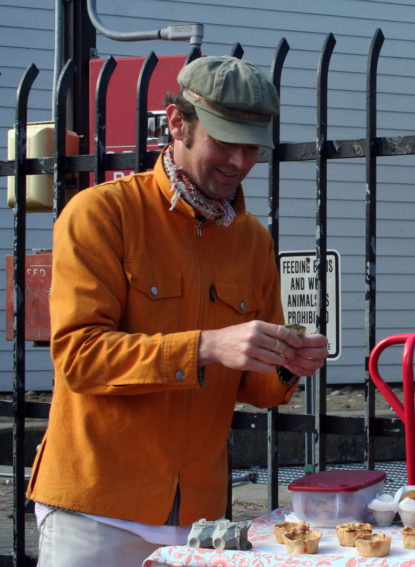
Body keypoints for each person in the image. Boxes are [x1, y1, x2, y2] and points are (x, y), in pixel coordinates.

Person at [27, 55, 330, 566]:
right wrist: (209, 346)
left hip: (197, 518)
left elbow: (257, 389)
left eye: (252, 146)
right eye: (225, 140)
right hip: (93, 509)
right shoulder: (101, 213)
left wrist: (286, 361)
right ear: (176, 122)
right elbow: (79, 358)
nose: (239, 160)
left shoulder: (253, 241)